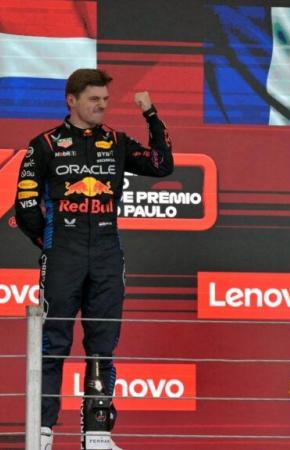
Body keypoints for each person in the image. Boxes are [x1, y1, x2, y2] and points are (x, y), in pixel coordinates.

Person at [14, 68, 173, 449]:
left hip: (106, 250)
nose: (102, 105)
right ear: (72, 100)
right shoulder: (45, 145)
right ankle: (43, 432)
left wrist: (151, 115)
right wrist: (51, 242)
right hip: (63, 253)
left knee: (103, 342)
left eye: (104, 99)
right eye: (93, 99)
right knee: (53, 342)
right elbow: (24, 206)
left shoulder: (116, 142)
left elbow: (161, 163)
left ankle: (97, 433)